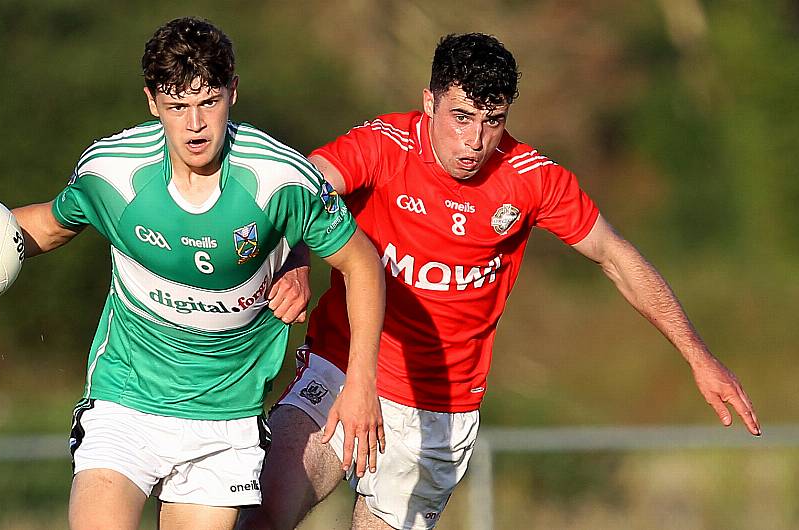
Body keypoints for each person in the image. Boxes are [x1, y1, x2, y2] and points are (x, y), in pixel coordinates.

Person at [239, 32, 761, 530]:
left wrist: (698, 355)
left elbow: (615, 255)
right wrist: (297, 263)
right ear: (429, 103)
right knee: (263, 516)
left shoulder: (531, 178)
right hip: (341, 369)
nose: (474, 140)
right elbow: (297, 190)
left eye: (492, 121)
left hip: (440, 407)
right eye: (461, 118)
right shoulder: (383, 145)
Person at [0, 17, 385, 530]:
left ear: (233, 93)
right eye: (178, 106)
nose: (195, 124)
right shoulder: (112, 173)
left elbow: (361, 263)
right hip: (126, 399)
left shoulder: (281, 179)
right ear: (152, 102)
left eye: (207, 102)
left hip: (224, 416)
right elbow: (48, 226)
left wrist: (361, 381)